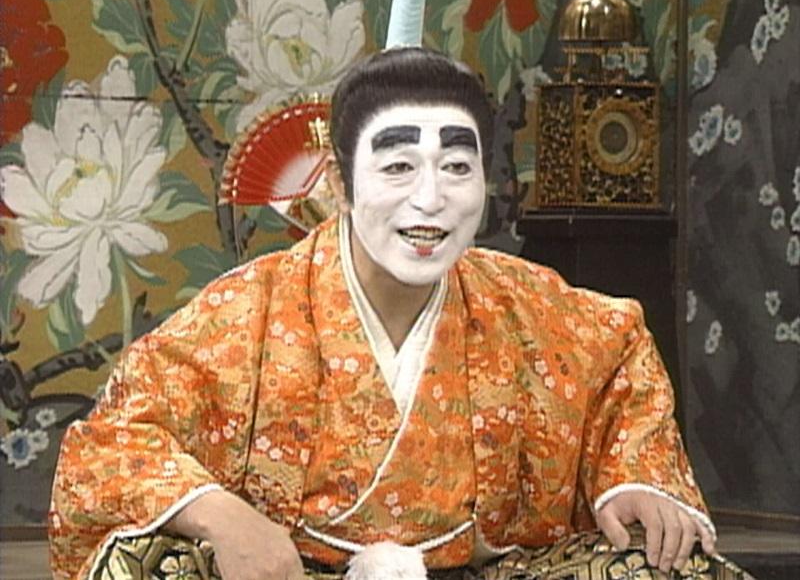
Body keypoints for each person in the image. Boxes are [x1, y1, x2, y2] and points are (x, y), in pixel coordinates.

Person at [50, 47, 730, 580]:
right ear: (341, 183)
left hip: (493, 573)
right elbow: (111, 444)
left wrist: (631, 480)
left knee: (670, 566)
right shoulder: (247, 310)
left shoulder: (531, 308)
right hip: (289, 574)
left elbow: (619, 363)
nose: (430, 199)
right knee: (139, 564)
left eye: (457, 167)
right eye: (398, 167)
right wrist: (224, 518)